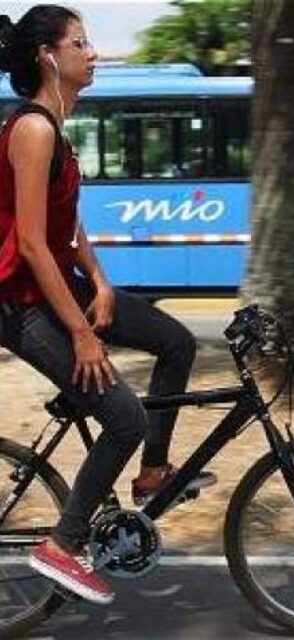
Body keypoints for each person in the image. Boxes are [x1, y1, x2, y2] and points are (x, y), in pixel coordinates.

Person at [0, 6, 216, 605]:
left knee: (177, 342)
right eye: (81, 42)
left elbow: (66, 227)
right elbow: (30, 244)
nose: (93, 52)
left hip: (61, 288)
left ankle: (152, 475)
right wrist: (82, 334)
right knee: (125, 417)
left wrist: (99, 281)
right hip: (21, 304)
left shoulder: (57, 125)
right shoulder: (33, 129)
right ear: (49, 55)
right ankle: (62, 546)